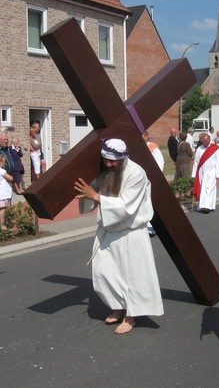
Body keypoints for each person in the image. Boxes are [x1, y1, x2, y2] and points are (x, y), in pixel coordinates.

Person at [74, 138, 163, 334]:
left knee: (131, 276)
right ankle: (118, 306)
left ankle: (130, 316)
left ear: (123, 158)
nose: (108, 164)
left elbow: (125, 207)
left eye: (113, 161)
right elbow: (94, 187)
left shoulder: (136, 174)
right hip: (109, 229)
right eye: (106, 159)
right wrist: (85, 191)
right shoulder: (107, 170)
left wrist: (95, 196)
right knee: (105, 271)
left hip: (130, 232)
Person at [191, 133, 219, 213]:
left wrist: (218, 173)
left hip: (211, 172)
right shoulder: (199, 149)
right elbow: (196, 162)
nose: (204, 143)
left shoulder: (214, 149)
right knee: (202, 189)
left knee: (209, 188)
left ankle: (207, 206)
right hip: (201, 172)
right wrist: (194, 174)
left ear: (209, 140)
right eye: (203, 141)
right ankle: (203, 205)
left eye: (206, 141)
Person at [0, 154, 13, 228]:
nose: (5, 163)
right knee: (3, 209)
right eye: (4, 162)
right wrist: (11, 177)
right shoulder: (1, 171)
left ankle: (2, 222)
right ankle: (2, 225)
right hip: (4, 193)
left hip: (0, 193)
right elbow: (10, 178)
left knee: (3, 209)